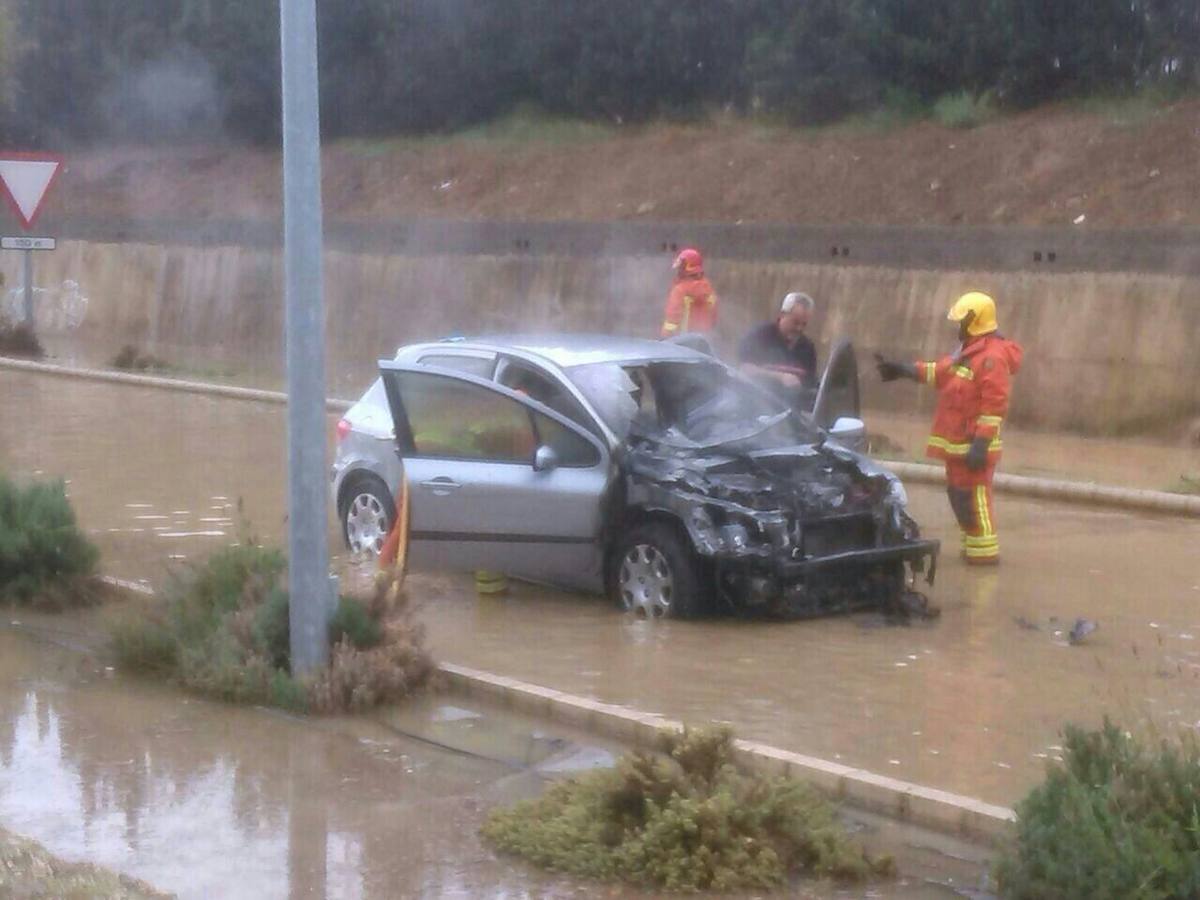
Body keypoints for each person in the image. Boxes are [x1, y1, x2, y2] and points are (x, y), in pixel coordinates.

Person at [876, 291, 1023, 565]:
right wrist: (902, 370)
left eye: (961, 321)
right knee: (959, 498)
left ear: (974, 321)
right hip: (958, 445)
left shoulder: (991, 357)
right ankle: (973, 550)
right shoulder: (968, 352)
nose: (957, 327)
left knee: (974, 500)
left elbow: (995, 406)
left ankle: (985, 558)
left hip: (973, 446)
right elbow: (940, 372)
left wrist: (981, 444)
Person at [737, 292, 818, 398]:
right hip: (756, 402)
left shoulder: (808, 348)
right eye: (795, 322)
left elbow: (810, 383)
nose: (799, 328)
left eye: (804, 324)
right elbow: (744, 369)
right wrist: (780, 377)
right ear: (782, 315)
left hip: (791, 408)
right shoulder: (760, 336)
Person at [660, 248, 718, 338]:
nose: (679, 270)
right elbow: (713, 319)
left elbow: (671, 321)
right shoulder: (708, 289)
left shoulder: (679, 290)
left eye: (681, 267)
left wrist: (664, 340)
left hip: (681, 343)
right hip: (703, 342)